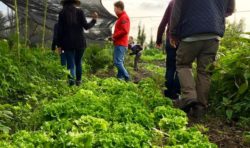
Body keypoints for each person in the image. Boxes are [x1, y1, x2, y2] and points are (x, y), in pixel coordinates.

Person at [169, 0, 235, 117]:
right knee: (205, 71)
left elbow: (177, 9)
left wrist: (173, 33)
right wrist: (214, 17)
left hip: (190, 31)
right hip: (213, 34)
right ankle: (200, 107)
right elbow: (230, 9)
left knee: (183, 65)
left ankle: (189, 97)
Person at [57, 0, 98, 86]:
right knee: (78, 62)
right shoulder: (80, 11)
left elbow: (60, 31)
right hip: (80, 42)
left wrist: (59, 45)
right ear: (75, 2)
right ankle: (78, 82)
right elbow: (86, 26)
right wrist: (94, 20)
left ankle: (71, 83)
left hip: (67, 43)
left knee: (70, 63)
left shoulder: (62, 13)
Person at [156, 0, 180, 100]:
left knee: (170, 67)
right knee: (181, 67)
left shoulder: (172, 3)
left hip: (170, 39)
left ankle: (167, 92)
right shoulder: (190, 3)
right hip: (183, 40)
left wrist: (158, 40)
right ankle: (176, 93)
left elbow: (163, 22)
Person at [112, 1, 130, 81]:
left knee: (117, 62)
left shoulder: (124, 17)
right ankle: (120, 78)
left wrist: (114, 36)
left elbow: (125, 30)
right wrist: (113, 37)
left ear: (119, 8)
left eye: (115, 8)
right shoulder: (121, 17)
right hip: (120, 43)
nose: (114, 10)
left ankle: (126, 77)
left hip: (121, 44)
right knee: (120, 61)